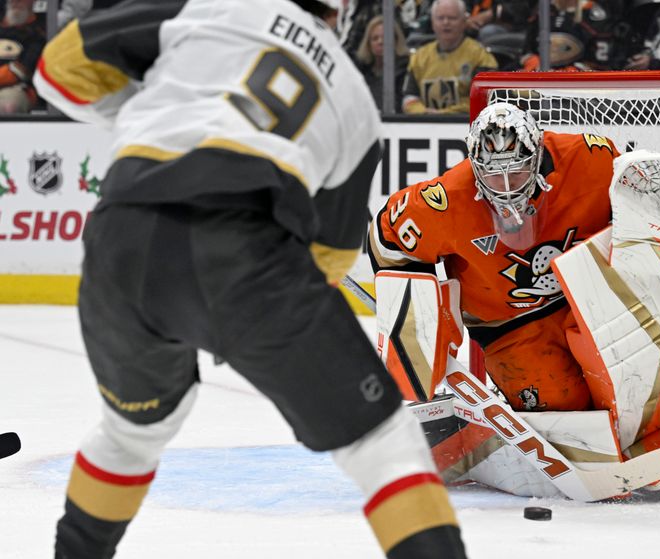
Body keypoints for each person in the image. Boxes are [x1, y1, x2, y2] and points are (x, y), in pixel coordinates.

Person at [33, 1, 469, 557]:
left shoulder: (213, 7)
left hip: (120, 234)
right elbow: (329, 260)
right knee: (385, 444)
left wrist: (147, 118)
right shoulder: (358, 104)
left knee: (131, 435)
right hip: (246, 250)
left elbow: (55, 70)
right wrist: (239, 312)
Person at [368, 102, 660, 497]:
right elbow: (386, 241)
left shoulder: (589, 158)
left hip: (587, 298)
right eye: (492, 174)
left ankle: (653, 438)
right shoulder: (444, 200)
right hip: (509, 329)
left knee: (632, 376)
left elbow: (644, 203)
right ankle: (605, 454)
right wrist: (421, 321)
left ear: (538, 154)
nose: (506, 187)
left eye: (517, 170)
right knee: (564, 412)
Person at [402, 0, 497, 114]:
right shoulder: (419, 58)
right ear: (432, 23)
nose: (446, 22)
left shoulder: (481, 57)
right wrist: (425, 113)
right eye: (440, 18)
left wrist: (443, 115)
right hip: (425, 125)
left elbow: (484, 100)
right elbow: (409, 99)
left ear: (463, 22)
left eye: (452, 18)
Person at [521, 0, 621, 71]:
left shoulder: (595, 14)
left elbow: (601, 62)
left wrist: (577, 69)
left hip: (578, 81)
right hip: (543, 74)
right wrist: (532, 61)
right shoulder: (541, 8)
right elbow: (527, 48)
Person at [355, 15, 409, 112]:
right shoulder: (361, 71)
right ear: (368, 44)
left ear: (396, 40)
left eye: (385, 37)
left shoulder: (406, 69)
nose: (380, 42)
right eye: (375, 38)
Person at [0, 0, 44, 114]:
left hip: (16, 88)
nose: (15, 2)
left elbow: (20, 71)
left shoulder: (37, 33)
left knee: (9, 106)